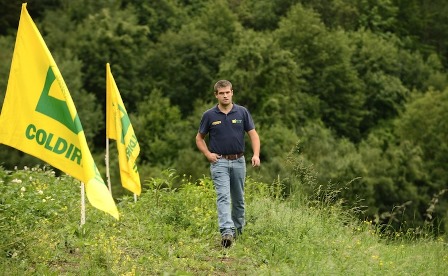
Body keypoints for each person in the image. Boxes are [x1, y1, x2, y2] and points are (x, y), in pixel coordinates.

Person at [195, 80, 261, 248]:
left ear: (232, 92)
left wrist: (256, 154)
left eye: (227, 92)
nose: (225, 95)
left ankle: (238, 232)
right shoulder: (209, 115)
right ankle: (226, 232)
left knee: (238, 199)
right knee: (223, 196)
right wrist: (208, 154)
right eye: (221, 93)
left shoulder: (242, 112)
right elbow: (199, 138)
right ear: (216, 95)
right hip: (220, 163)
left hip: (239, 161)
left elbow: (253, 134)